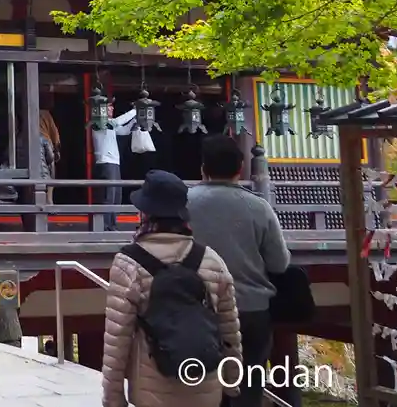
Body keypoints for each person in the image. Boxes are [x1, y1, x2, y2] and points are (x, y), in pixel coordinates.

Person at [102, 169, 242, 407]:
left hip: (152, 393)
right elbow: (229, 330)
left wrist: (113, 399)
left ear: (144, 214)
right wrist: (231, 382)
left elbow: (117, 340)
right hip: (206, 388)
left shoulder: (128, 264)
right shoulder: (211, 260)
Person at [187, 135, 291, 407]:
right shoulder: (259, 207)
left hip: (198, 309)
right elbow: (279, 263)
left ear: (203, 168)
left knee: (202, 389)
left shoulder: (183, 205)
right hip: (251, 310)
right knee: (249, 388)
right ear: (241, 168)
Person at [93, 102, 140, 229]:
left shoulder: (110, 124)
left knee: (116, 196)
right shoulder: (97, 123)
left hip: (114, 162)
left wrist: (135, 120)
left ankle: (112, 225)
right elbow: (117, 122)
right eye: (109, 106)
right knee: (108, 196)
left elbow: (124, 131)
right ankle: (104, 226)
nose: (112, 108)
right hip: (106, 162)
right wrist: (134, 111)